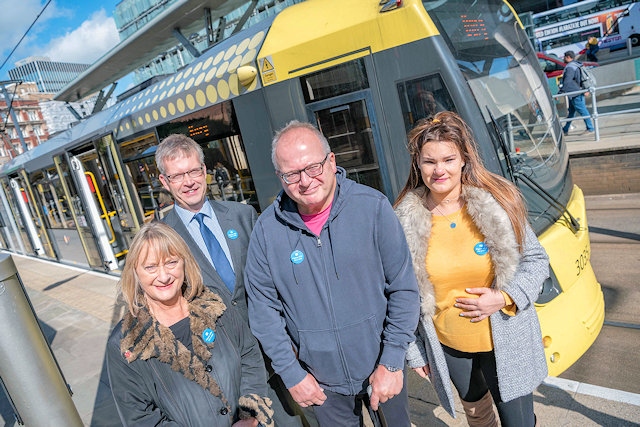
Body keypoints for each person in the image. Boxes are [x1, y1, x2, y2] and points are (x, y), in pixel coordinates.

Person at [244, 121, 421, 426]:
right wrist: (292, 373)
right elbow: (264, 312)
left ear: (332, 160)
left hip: (381, 368)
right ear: (280, 177)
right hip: (320, 384)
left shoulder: (372, 208)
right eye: (292, 174)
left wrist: (392, 361)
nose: (305, 180)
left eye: (313, 167)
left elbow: (403, 288)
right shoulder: (266, 232)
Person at [393, 112, 550, 427]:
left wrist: (504, 297)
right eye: (429, 162)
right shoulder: (401, 221)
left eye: (448, 159)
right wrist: (414, 351)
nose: (440, 170)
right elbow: (398, 294)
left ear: (463, 159)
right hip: (450, 347)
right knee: (478, 417)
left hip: (505, 339)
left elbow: (537, 259)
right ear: (418, 165)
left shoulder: (498, 203)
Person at [155, 134, 310, 427]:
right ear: (165, 182)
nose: (188, 182)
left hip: (275, 354)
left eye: (193, 171)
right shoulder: (162, 237)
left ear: (204, 171)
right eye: (177, 176)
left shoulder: (243, 215)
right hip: (224, 370)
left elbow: (275, 281)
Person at [106, 221, 273, 426]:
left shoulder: (215, 302)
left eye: (171, 262)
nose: (164, 276)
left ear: (184, 262)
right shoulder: (127, 342)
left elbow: (249, 354)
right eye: (150, 267)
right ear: (135, 273)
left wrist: (250, 416)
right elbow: (139, 417)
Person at [559, 50, 594, 135]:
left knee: (582, 110)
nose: (563, 58)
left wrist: (561, 92)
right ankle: (565, 129)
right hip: (576, 92)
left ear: (568, 57)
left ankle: (590, 128)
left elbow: (567, 81)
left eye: (564, 57)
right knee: (571, 112)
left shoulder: (570, 67)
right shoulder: (576, 64)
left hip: (575, 93)